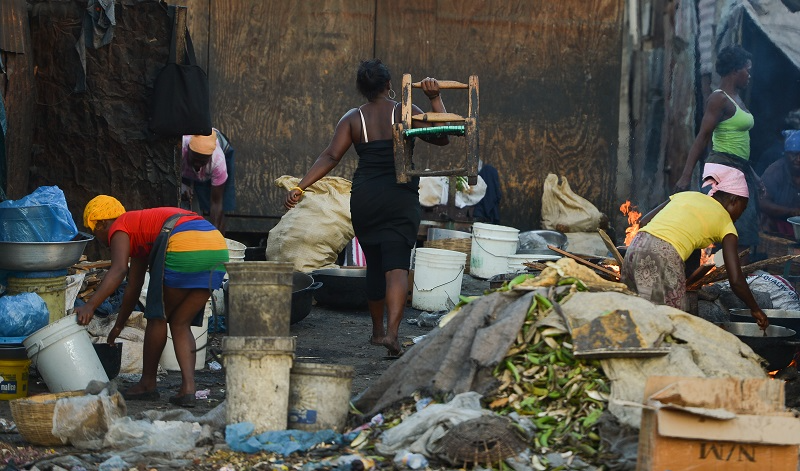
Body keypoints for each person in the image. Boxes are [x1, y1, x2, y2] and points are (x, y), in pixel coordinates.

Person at [284, 59, 449, 357]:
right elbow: (442, 136)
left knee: (374, 264)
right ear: (388, 86)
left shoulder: (353, 118)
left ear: (362, 89)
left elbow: (331, 156)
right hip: (400, 196)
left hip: (366, 198)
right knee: (397, 267)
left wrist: (300, 186)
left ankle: (376, 333)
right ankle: (393, 336)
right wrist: (435, 97)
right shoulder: (406, 111)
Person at [75, 196, 228, 407]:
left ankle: (147, 384)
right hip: (216, 246)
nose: (101, 239)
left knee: (158, 316)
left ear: (102, 223)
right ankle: (188, 389)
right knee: (180, 322)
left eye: (96, 232)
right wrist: (118, 325)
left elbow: (119, 270)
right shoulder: (139, 231)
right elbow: (133, 285)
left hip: (184, 242)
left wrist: (89, 306)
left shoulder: (119, 227)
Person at [622, 164, 768, 329]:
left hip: (635, 248)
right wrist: (755, 309)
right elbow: (736, 280)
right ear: (734, 200)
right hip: (663, 257)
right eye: (744, 207)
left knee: (633, 315)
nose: (741, 214)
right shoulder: (726, 224)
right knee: (668, 325)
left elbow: (643, 222)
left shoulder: (687, 195)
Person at [674, 45, 760, 253]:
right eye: (747, 70)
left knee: (744, 234)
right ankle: (711, 278)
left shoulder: (738, 99)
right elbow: (703, 137)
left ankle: (728, 280)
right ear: (734, 71)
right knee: (713, 229)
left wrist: (754, 176)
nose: (749, 75)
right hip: (723, 171)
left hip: (741, 170)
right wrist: (686, 175)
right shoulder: (719, 99)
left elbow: (740, 143)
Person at [180, 129, 235, 235]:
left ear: (209, 157)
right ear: (188, 151)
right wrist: (181, 186)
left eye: (202, 161)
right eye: (195, 159)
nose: (197, 164)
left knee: (219, 204)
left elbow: (216, 202)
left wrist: (213, 235)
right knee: (185, 199)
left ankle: (218, 240)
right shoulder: (180, 149)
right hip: (185, 165)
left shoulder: (218, 162)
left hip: (222, 152)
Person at [760, 130, 800, 236]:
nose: (798, 159)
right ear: (786, 154)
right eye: (794, 155)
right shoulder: (775, 171)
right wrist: (791, 211)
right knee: (764, 219)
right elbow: (762, 202)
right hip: (779, 224)